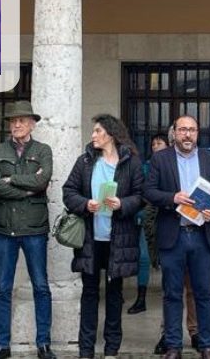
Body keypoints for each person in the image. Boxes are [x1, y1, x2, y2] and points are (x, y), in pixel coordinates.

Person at [63, 114, 145, 359]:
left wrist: (122, 203)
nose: (93, 135)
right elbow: (68, 191)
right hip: (90, 239)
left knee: (114, 294)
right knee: (89, 293)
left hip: (118, 239)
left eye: (98, 131)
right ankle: (85, 349)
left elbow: (141, 196)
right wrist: (84, 203)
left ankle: (111, 349)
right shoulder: (86, 161)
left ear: (110, 133)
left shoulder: (131, 162)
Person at [144, 114, 210, 359]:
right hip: (173, 234)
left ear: (197, 133)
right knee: (171, 294)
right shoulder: (160, 159)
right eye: (182, 130)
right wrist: (172, 198)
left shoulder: (209, 159)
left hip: (201, 235)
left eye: (192, 130)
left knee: (204, 294)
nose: (187, 134)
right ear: (175, 133)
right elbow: (148, 191)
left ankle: (208, 345)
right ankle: (173, 346)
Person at [0, 101, 55, 359]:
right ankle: (1, 345)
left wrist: (12, 179)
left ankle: (44, 343)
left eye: (22, 120)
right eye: (13, 121)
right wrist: (27, 188)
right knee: (2, 287)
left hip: (34, 228)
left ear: (32, 124)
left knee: (41, 286)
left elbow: (43, 179)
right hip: (4, 229)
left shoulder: (43, 150)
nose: (16, 124)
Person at [129, 133, 169, 316]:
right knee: (143, 257)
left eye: (159, 143)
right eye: (153, 144)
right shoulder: (145, 166)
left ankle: (169, 296)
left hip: (167, 216)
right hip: (145, 216)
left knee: (168, 258)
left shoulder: (172, 166)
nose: (155, 146)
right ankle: (141, 298)